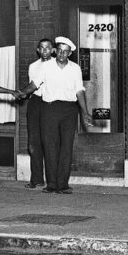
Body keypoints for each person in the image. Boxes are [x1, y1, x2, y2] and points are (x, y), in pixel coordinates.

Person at [37, 36, 92, 194]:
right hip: (50, 108)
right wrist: (21, 93)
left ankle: (63, 184)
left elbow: (79, 90)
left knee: (66, 147)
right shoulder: (47, 66)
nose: (62, 54)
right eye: (59, 50)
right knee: (50, 146)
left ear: (69, 54)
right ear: (55, 51)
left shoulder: (75, 68)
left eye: (65, 52)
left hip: (69, 110)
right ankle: (52, 184)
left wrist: (85, 112)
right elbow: (35, 83)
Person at [22, 38, 56, 188]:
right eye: (41, 48)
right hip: (35, 103)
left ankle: (52, 180)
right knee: (33, 143)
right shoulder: (33, 66)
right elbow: (32, 86)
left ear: (53, 50)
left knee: (49, 142)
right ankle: (36, 178)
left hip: (51, 104)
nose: (45, 50)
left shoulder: (57, 65)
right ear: (37, 50)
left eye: (48, 47)